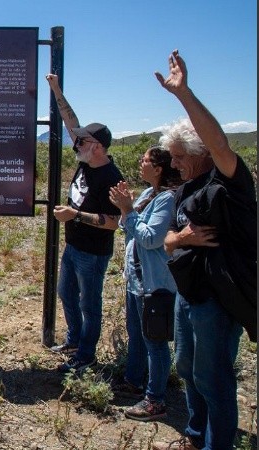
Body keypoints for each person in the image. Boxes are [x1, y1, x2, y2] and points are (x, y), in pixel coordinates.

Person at [151, 50, 257, 450]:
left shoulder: (229, 181)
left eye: (180, 157)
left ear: (201, 154)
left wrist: (184, 95)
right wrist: (182, 240)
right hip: (188, 294)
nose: (174, 164)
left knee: (213, 378)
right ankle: (196, 436)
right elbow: (167, 239)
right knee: (188, 370)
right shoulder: (185, 189)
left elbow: (220, 143)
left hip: (218, 299)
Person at [45, 74, 124, 373]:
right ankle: (75, 340)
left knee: (90, 305)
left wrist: (75, 216)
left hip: (92, 253)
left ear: (98, 147)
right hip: (73, 246)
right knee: (66, 294)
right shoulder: (85, 160)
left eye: (84, 140)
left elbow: (114, 222)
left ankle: (86, 355)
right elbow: (70, 119)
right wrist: (55, 90)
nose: (76, 142)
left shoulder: (110, 177)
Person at [108, 146, 182, 422]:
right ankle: (134, 380)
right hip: (137, 279)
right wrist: (128, 210)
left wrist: (127, 209)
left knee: (155, 342)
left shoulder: (167, 199)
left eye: (145, 160)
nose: (140, 163)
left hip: (155, 283)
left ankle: (155, 400)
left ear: (159, 168)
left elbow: (150, 238)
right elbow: (126, 227)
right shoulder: (148, 194)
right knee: (137, 333)